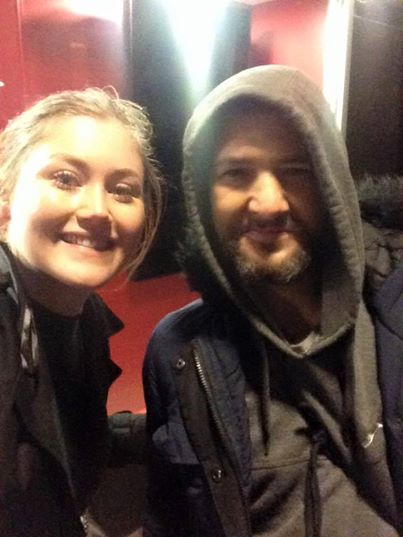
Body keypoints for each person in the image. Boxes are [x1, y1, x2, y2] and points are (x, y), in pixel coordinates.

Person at [142, 65, 403, 536]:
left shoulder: (394, 307)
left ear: (331, 182)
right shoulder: (179, 351)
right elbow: (172, 515)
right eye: (236, 174)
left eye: (296, 171)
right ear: (203, 198)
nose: (269, 204)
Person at [0, 87, 162, 536]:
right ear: (6, 200)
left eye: (122, 190)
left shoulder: (85, 319)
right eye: (66, 179)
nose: (96, 211)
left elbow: (54, 438)